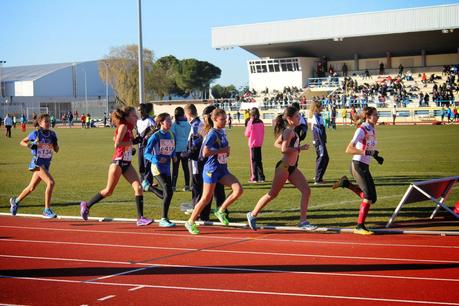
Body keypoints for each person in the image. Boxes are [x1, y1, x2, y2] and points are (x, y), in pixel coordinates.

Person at [247, 106, 316, 231]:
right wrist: (299, 148)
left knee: (306, 190)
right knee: (272, 194)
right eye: (296, 116)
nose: (299, 117)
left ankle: (303, 221)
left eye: (299, 115)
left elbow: (277, 143)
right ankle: (252, 214)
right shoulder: (288, 131)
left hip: (292, 168)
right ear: (289, 119)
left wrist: (295, 147)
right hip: (283, 167)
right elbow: (284, 149)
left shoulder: (291, 131)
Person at [80, 106, 152, 226]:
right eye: (134, 115)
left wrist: (133, 147)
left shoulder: (130, 128)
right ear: (127, 117)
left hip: (127, 163)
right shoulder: (124, 126)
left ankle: (140, 218)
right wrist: (133, 142)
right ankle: (86, 205)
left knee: (138, 188)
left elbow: (127, 144)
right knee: (108, 191)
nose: (136, 117)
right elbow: (117, 144)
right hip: (118, 163)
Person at [185, 108, 243, 234]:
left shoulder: (222, 132)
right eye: (222, 119)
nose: (225, 121)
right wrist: (222, 151)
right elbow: (205, 152)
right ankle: (190, 222)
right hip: (211, 170)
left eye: (226, 119)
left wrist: (226, 152)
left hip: (222, 169)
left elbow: (223, 150)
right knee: (206, 198)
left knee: (238, 190)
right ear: (215, 119)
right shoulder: (212, 133)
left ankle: (220, 210)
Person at [332, 106, 384, 235]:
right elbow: (349, 149)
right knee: (368, 197)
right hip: (358, 165)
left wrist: (376, 156)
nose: (378, 117)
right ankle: (359, 226)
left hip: (364, 165)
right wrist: (366, 152)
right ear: (368, 116)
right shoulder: (361, 130)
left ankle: (346, 184)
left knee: (373, 198)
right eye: (375, 115)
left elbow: (369, 148)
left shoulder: (372, 128)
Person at [10, 114, 59, 218]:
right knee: (50, 183)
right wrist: (31, 145)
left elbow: (57, 150)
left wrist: (55, 145)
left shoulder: (52, 134)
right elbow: (22, 142)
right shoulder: (36, 134)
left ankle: (16, 201)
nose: (48, 123)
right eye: (45, 121)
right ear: (40, 123)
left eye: (49, 121)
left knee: (31, 187)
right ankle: (46, 210)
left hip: (46, 164)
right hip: (37, 163)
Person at [184, 104, 227, 221]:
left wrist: (188, 153)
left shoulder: (208, 129)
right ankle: (214, 213)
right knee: (211, 192)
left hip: (208, 164)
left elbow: (200, 148)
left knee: (203, 192)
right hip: (214, 164)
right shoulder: (216, 130)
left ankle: (204, 215)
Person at [144, 113, 177, 227]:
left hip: (167, 167)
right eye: (168, 120)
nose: (170, 123)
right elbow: (146, 153)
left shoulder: (172, 134)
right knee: (168, 191)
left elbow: (172, 147)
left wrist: (173, 155)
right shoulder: (155, 136)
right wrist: (156, 158)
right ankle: (163, 219)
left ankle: (149, 187)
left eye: (170, 120)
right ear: (161, 122)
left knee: (168, 194)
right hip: (156, 167)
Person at [171, 107, 191, 192]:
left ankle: (173, 186)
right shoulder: (188, 124)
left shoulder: (174, 125)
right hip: (186, 149)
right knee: (186, 168)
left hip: (176, 149)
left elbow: (173, 138)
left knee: (175, 168)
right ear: (183, 114)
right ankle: (187, 186)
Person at [310, 101, 329, 184]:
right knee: (322, 158)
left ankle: (319, 176)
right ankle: (318, 179)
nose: (323, 107)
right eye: (321, 106)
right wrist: (322, 143)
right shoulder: (316, 117)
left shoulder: (319, 116)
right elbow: (318, 131)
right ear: (317, 108)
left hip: (321, 142)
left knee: (325, 158)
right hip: (319, 142)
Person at [245, 107, 265, 183]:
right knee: (259, 161)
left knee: (253, 161)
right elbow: (263, 132)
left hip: (252, 143)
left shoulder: (251, 122)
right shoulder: (261, 122)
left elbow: (247, 133)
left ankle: (254, 178)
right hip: (259, 143)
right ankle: (261, 177)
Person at [136, 103, 155, 185]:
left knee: (147, 165)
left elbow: (155, 129)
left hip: (147, 146)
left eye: (141, 110)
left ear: (145, 110)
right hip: (140, 146)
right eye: (138, 110)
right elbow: (137, 132)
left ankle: (148, 183)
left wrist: (147, 135)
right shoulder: (138, 121)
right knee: (141, 166)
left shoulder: (150, 120)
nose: (140, 112)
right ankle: (143, 183)